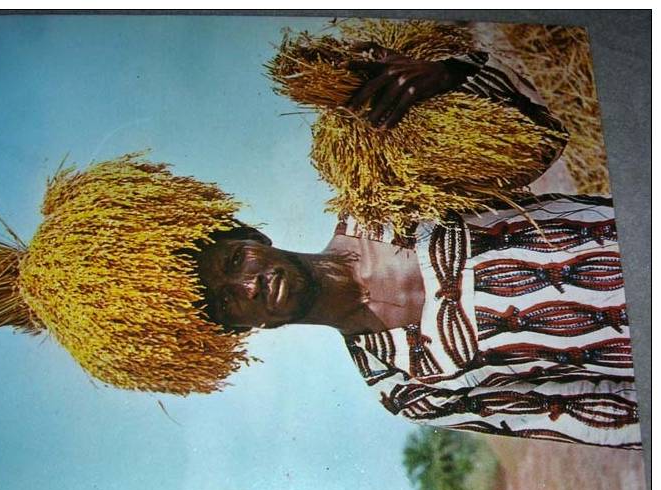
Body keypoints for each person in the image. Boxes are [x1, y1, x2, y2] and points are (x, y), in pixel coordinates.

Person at [193, 44, 640, 450]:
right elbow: (596, 415)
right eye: (227, 300)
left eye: (235, 260)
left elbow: (543, 140)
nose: (249, 285)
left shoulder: (383, 192)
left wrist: (451, 75)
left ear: (255, 237)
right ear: (243, 328)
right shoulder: (404, 388)